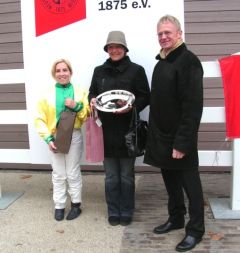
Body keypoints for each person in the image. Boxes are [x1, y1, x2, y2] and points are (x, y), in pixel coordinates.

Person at [144, 15, 205, 252]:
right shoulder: (161, 63)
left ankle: (196, 230)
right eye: (160, 33)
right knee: (170, 181)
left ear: (179, 33)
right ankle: (176, 218)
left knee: (191, 185)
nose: (163, 37)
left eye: (168, 32)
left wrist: (182, 143)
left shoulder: (188, 61)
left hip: (180, 139)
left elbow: (192, 107)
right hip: (161, 138)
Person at [89, 31, 150, 226]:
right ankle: (113, 211)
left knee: (126, 176)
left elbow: (145, 96)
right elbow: (93, 92)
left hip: (128, 133)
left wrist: (132, 106)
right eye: (111, 47)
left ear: (125, 49)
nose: (114, 50)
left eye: (118, 47)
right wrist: (90, 99)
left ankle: (127, 210)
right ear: (107, 50)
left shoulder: (136, 70)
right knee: (110, 177)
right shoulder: (99, 71)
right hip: (105, 132)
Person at [35, 59, 89, 221]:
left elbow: (86, 116)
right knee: (58, 173)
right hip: (55, 137)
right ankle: (59, 205)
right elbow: (39, 119)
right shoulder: (46, 95)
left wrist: (76, 106)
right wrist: (48, 138)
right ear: (54, 74)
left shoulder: (80, 92)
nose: (62, 73)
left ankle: (76, 205)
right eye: (58, 71)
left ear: (70, 73)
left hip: (74, 134)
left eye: (65, 70)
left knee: (72, 172)